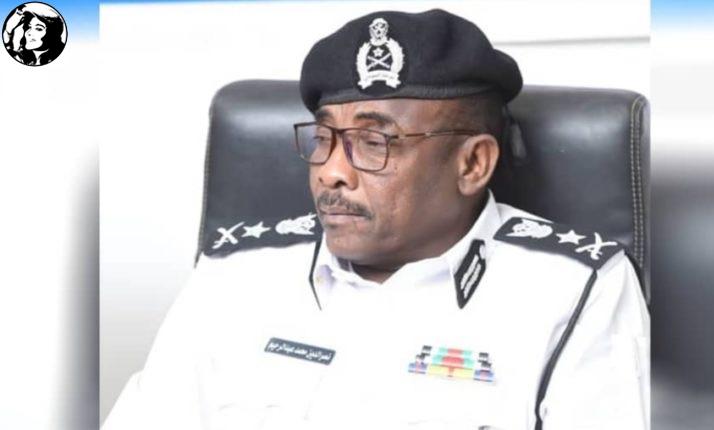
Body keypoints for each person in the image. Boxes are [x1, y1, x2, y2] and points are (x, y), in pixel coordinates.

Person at [103, 9, 649, 430]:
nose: (331, 172)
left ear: (472, 164)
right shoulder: (237, 273)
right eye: (323, 138)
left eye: (374, 142)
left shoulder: (573, 289)